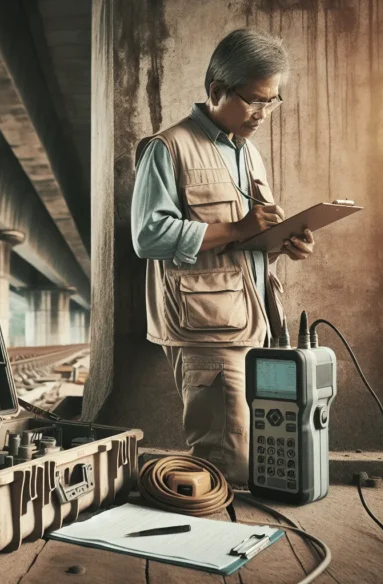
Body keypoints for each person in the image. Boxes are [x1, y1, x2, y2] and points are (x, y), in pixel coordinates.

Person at [130, 28, 315, 483]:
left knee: (256, 454)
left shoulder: (248, 154)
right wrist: (239, 227)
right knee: (227, 458)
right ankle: (216, 544)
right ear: (216, 91)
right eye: (256, 100)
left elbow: (241, 245)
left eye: (273, 101)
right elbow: (148, 236)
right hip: (208, 329)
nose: (265, 113)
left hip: (257, 320)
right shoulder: (166, 148)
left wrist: (283, 243)